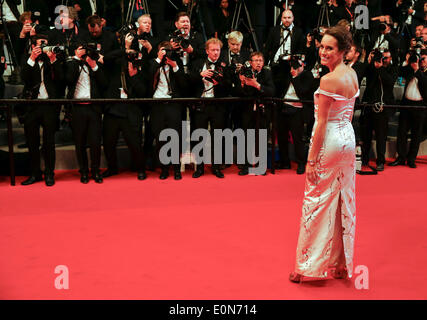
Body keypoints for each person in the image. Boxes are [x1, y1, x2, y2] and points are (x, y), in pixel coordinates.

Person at [290, 26, 359, 282]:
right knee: (344, 200)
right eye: (321, 46)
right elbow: (348, 115)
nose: (323, 51)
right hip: (348, 139)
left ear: (342, 51)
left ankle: (305, 268)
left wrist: (310, 160)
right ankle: (341, 264)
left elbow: (320, 123)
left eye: (330, 48)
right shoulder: (351, 74)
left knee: (315, 201)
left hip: (329, 141)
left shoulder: (328, 80)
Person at [20, 34, 63, 186]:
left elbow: (60, 79)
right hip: (32, 106)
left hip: (49, 105)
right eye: (39, 45)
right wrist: (32, 58)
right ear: (33, 46)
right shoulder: (27, 59)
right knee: (32, 142)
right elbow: (23, 77)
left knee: (49, 142)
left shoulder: (51, 59)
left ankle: (49, 173)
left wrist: (53, 60)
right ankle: (35, 173)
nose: (42, 47)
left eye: (44, 44)